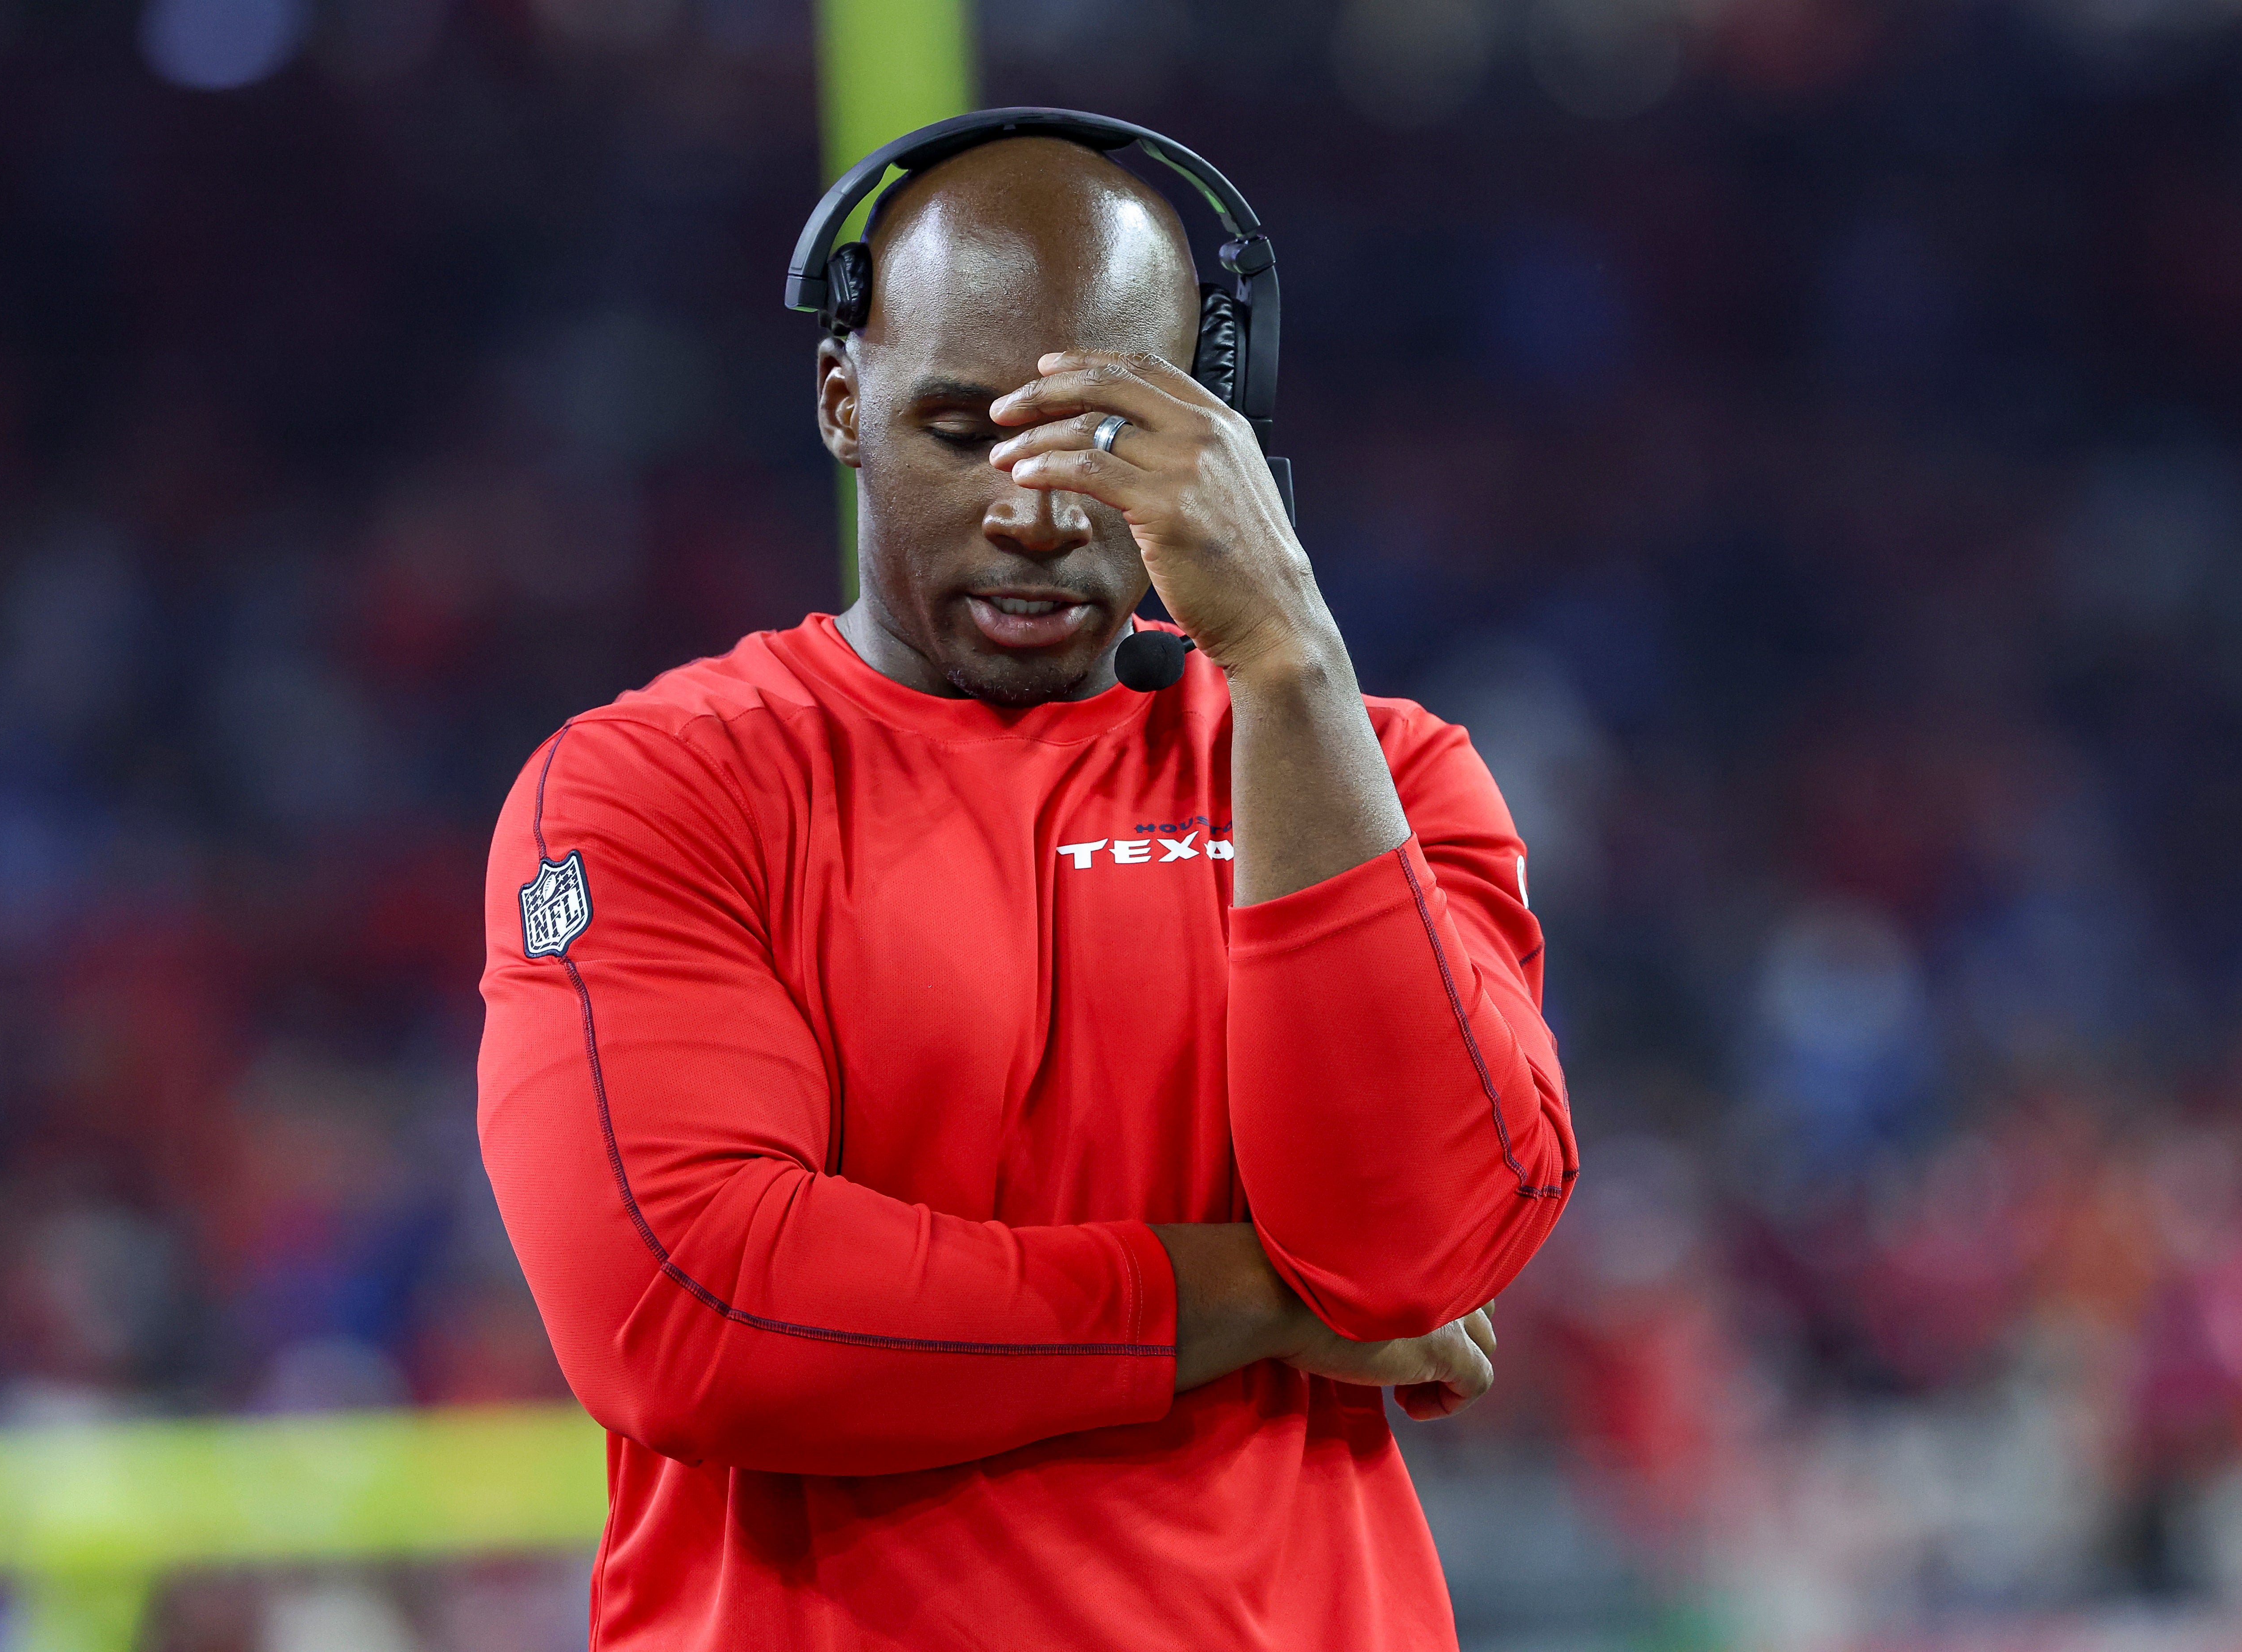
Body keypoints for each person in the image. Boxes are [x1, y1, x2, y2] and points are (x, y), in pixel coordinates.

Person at [478, 132, 1575, 1651]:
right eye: (960, 430)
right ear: (840, 400)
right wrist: (1259, 1298)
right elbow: (693, 1314)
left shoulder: (1379, 774)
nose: (1037, 512)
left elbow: (1417, 1253)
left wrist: (1289, 653)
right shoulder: (654, 788)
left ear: (1221, 435)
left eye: (1106, 438)